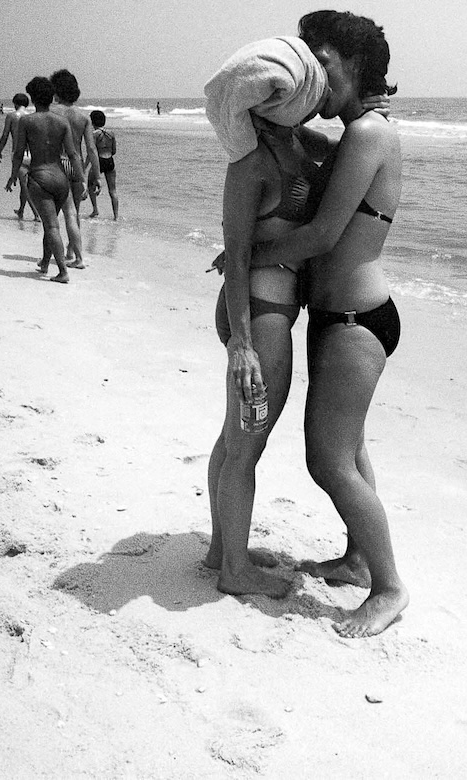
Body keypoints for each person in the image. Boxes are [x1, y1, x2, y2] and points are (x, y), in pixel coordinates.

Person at [248, 10, 408, 637]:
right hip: (340, 317)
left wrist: (240, 256)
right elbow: (329, 157)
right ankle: (360, 560)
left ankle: (390, 585)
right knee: (351, 448)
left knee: (328, 460)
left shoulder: (370, 134)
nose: (313, 74)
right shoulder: (360, 134)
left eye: (325, 62)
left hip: (355, 319)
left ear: (356, 66)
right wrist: (282, 135)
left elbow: (320, 233)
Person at [203, 35, 332, 599]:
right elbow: (234, 251)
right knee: (246, 442)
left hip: (270, 310)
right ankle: (236, 570)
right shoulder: (250, 164)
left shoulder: (303, 146)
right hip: (258, 317)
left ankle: (219, 548)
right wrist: (242, 345)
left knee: (234, 436)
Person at [10, 77, 86, 284]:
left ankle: (62, 271)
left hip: (40, 178)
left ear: (33, 98)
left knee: (51, 226)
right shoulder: (62, 122)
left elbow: (18, 153)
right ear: (51, 97)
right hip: (61, 179)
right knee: (49, 223)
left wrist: (12, 176)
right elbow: (73, 154)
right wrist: (82, 179)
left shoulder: (26, 121)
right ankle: (45, 262)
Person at [50, 69, 99, 269]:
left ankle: (51, 257)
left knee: (52, 215)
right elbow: (92, 150)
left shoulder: (51, 112)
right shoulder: (84, 117)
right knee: (74, 213)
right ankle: (74, 254)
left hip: (56, 164)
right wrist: (95, 176)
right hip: (76, 167)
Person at [0, 93, 39, 221]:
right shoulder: (33, 116)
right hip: (33, 154)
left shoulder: (11, 116)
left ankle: (36, 214)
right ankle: (21, 210)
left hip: (18, 154)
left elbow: (5, 135)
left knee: (24, 185)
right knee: (25, 184)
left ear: (15, 103)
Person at [87, 110, 119, 220]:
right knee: (113, 190)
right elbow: (114, 150)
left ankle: (95, 209)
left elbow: (91, 152)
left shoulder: (94, 134)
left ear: (92, 121)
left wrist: (84, 166)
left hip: (99, 161)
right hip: (110, 160)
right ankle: (116, 216)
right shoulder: (111, 133)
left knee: (90, 184)